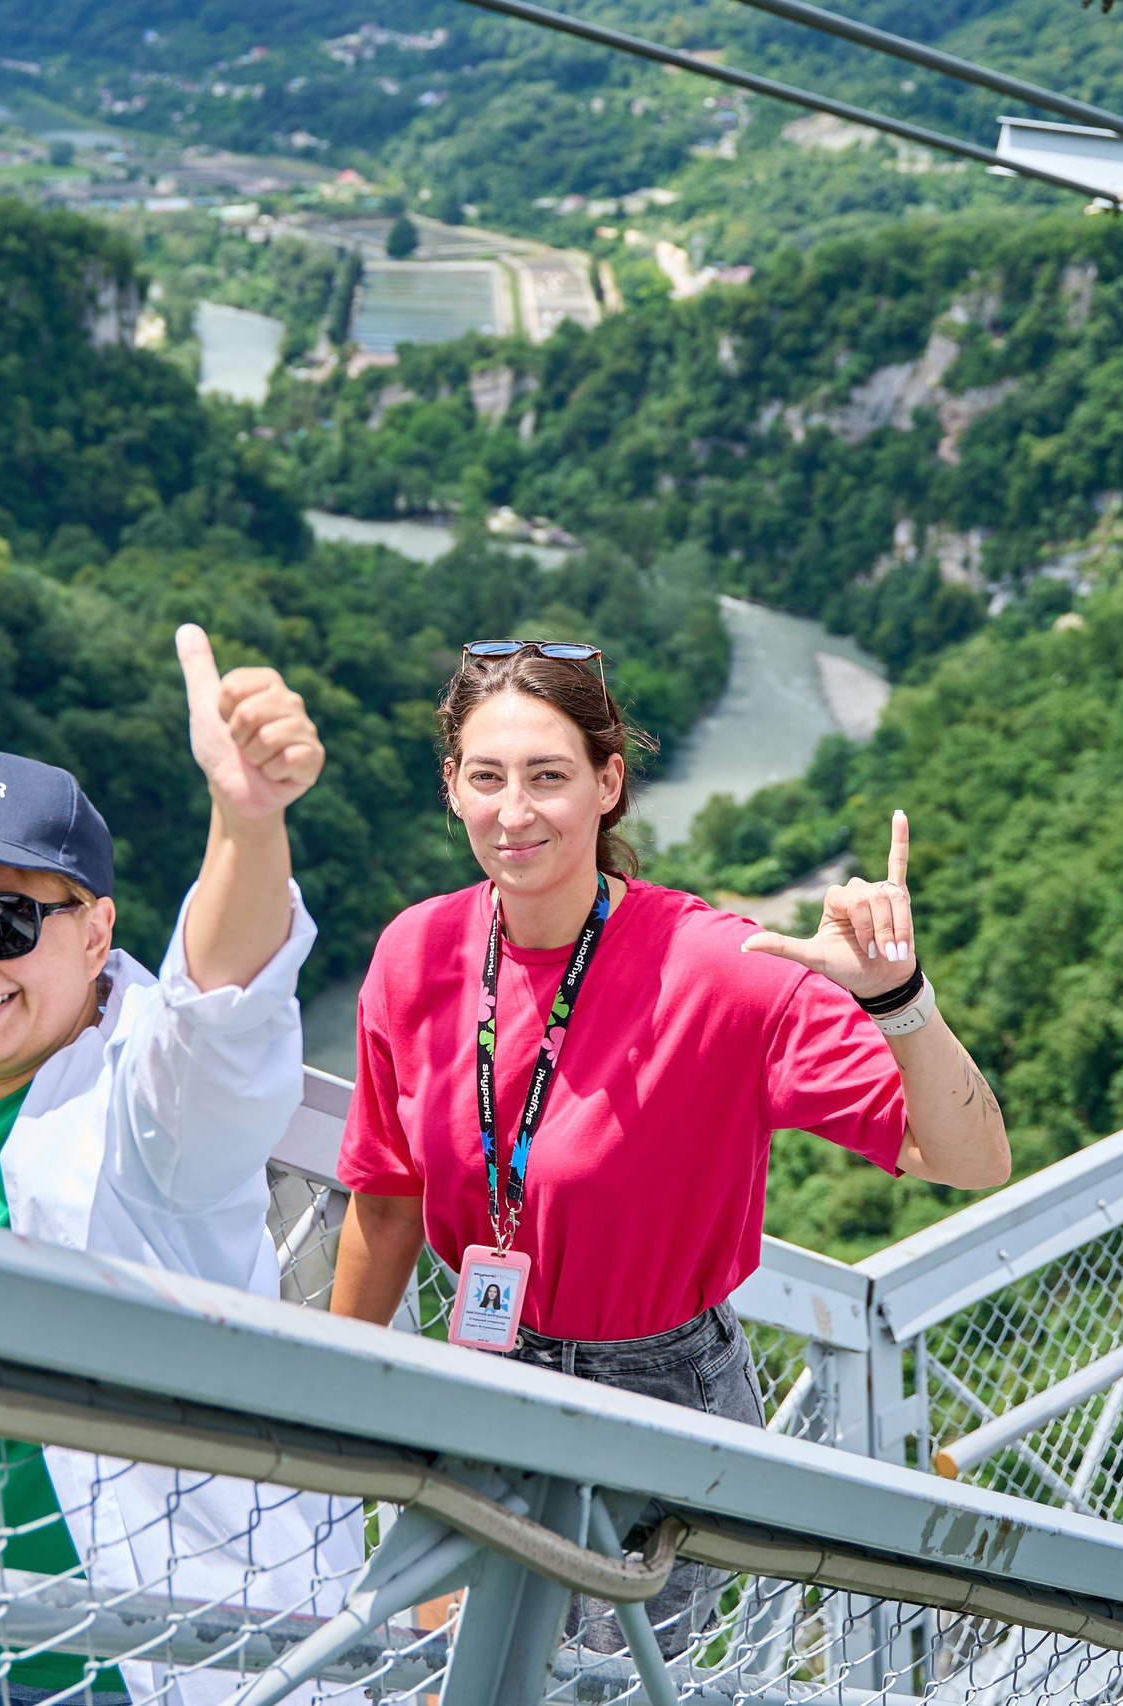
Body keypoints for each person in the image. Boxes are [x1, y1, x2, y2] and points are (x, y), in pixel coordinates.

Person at [327, 639, 1009, 1650]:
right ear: (451, 789)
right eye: (487, 776)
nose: (513, 810)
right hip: (477, 1361)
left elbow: (967, 1157)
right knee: (443, 1660)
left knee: (595, 1684)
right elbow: (384, 1201)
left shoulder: (716, 969)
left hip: (652, 1392)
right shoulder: (413, 952)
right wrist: (332, 1403)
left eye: (548, 775)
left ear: (608, 783)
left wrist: (900, 1002)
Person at [0, 626, 359, 1706]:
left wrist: (246, 823)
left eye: (0, 920)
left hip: (96, 1660)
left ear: (96, 933)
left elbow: (221, 1015)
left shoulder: (145, 1112)